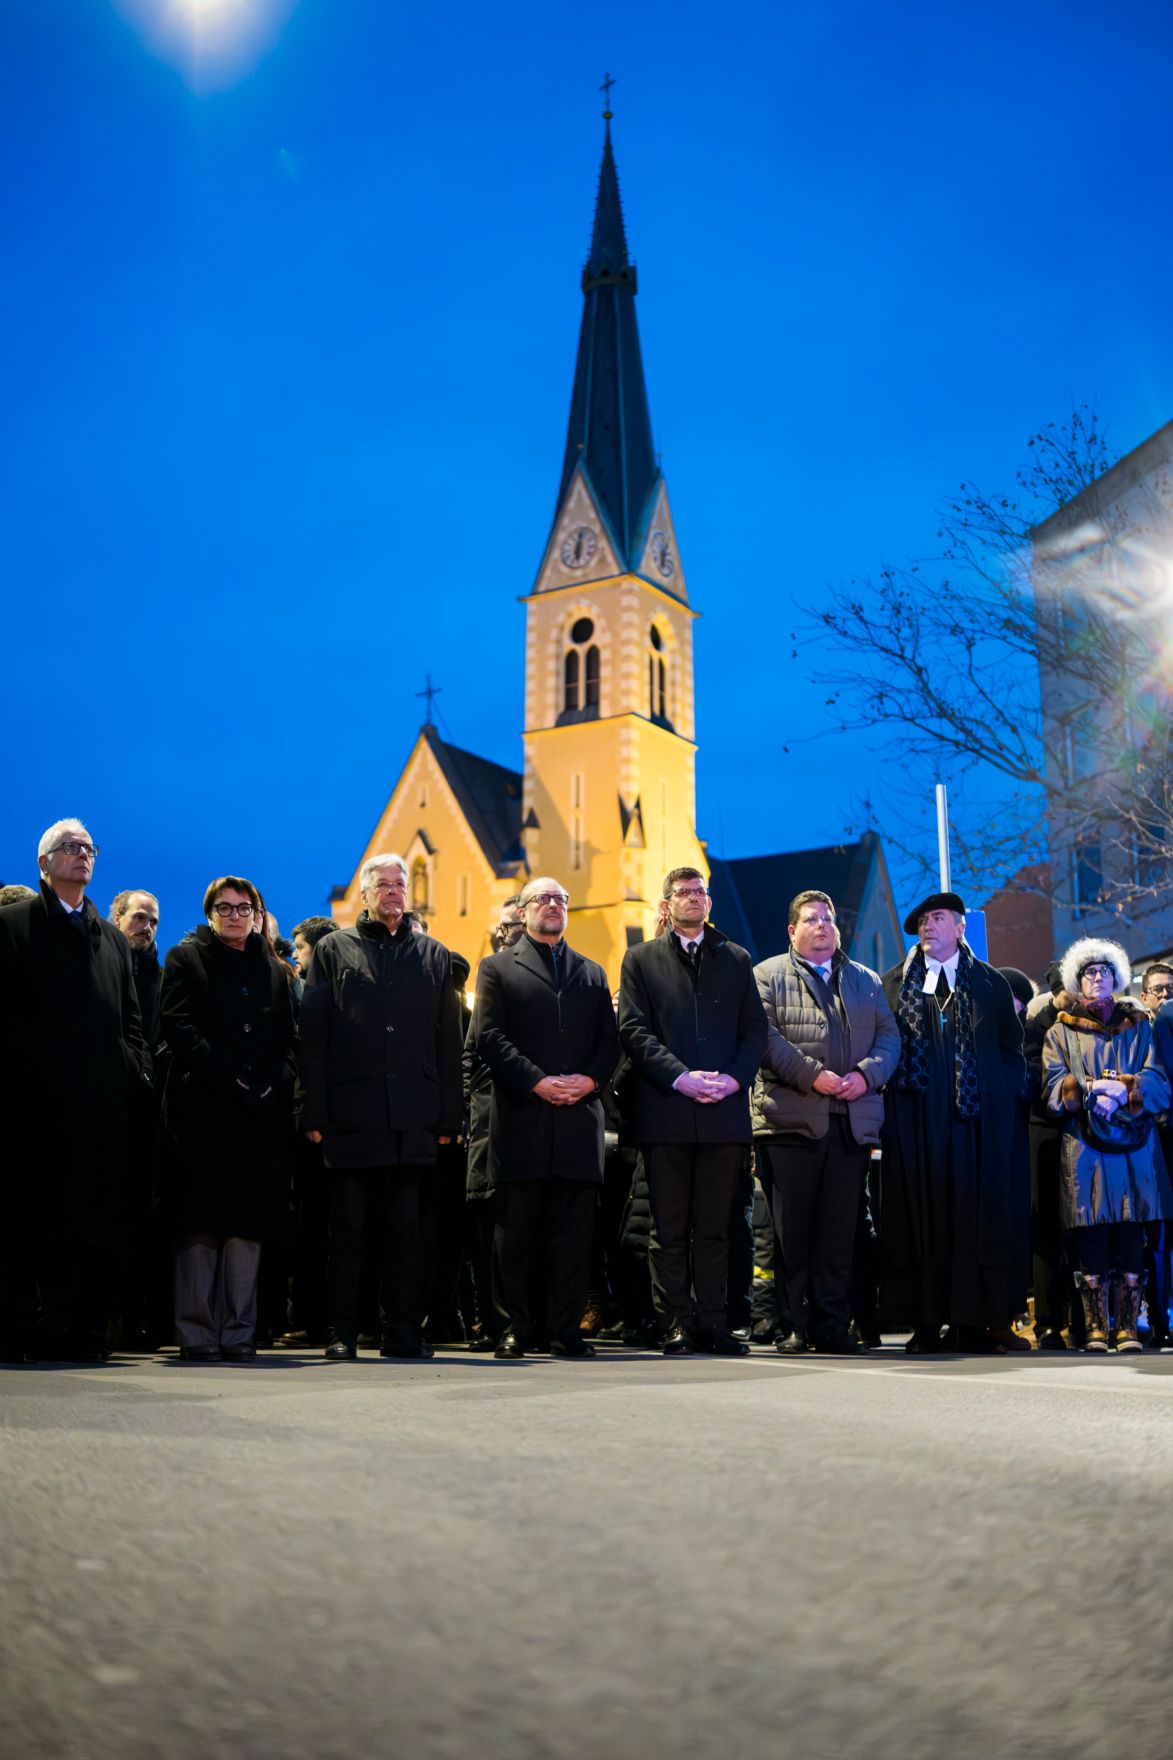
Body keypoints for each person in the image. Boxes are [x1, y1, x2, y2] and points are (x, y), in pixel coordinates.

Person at [297, 852, 462, 1361]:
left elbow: (449, 1043)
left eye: (400, 884)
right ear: (364, 896)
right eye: (382, 885)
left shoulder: (434, 955)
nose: (392, 892)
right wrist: (313, 1110)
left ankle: (401, 1330)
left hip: (413, 1115)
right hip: (352, 1114)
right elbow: (314, 1037)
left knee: (406, 1232)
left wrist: (450, 1115)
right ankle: (342, 1330)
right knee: (347, 1230)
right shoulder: (333, 950)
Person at [0, 819, 150, 1361]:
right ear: (44, 864)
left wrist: (132, 1067)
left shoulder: (109, 937)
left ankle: (82, 1330)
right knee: (29, 1220)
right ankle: (21, 1330)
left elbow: (130, 1019)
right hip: (32, 1109)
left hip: (100, 1109)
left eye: (88, 848)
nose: (81, 855)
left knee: (93, 1222)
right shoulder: (12, 926)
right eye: (69, 848)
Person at [618, 866, 767, 1356]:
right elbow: (634, 1031)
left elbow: (754, 1033)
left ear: (710, 902)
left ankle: (713, 1323)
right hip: (667, 1111)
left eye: (700, 891)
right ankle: (675, 1324)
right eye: (683, 892)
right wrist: (680, 1076)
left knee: (716, 1228)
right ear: (667, 904)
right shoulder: (640, 960)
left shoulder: (736, 958)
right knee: (669, 1229)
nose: (693, 898)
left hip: (723, 1113)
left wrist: (732, 1078)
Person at [473, 876, 619, 1359]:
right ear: (524, 910)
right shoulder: (496, 968)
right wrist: (536, 1080)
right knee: (514, 1236)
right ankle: (514, 1327)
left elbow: (609, 1043)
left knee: (572, 1237)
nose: (553, 905)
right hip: (522, 1118)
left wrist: (590, 1081)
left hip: (578, 1122)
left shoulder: (593, 972)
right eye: (543, 899)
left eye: (560, 899)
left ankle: (564, 1328)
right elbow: (490, 1039)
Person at [752, 890, 899, 1354]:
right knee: (793, 1233)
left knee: (839, 1233)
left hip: (850, 1122)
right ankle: (796, 1325)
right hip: (791, 1122)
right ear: (792, 931)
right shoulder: (767, 975)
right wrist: (814, 1078)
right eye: (812, 919)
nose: (823, 926)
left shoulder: (866, 980)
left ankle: (834, 1326)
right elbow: (764, 1038)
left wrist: (866, 1075)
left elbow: (889, 1038)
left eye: (829, 919)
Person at [880, 892, 1027, 1353]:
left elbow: (1011, 1051)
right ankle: (927, 1322)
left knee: (980, 1216)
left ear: (961, 928)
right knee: (923, 1216)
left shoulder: (989, 984)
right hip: (917, 1124)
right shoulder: (894, 986)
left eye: (938, 918)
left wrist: (997, 1098)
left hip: (977, 1126)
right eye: (923, 920)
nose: (927, 926)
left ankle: (985, 1319)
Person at [159, 875, 296, 1363]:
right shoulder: (186, 959)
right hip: (204, 1111)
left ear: (257, 915)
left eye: (244, 908)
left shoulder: (277, 971)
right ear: (210, 914)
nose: (235, 916)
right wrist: (229, 1076)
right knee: (201, 1223)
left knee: (246, 1224)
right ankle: (196, 1332)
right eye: (225, 908)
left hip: (259, 1114)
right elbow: (176, 1026)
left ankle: (239, 1332)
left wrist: (274, 1080)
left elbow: (290, 1037)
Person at [1042, 938, 1172, 1352]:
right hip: (1084, 1143)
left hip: (1134, 1144)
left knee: (1131, 1233)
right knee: (1091, 1234)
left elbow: (1160, 1079)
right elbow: (1049, 1085)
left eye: (1104, 972)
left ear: (1116, 978)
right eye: (1089, 972)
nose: (1097, 978)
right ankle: (1097, 1327)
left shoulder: (1140, 1025)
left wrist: (1125, 1088)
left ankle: (1128, 1329)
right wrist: (1087, 1088)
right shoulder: (1060, 1030)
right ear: (1077, 981)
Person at [462, 897, 524, 1349]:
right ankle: (490, 1319)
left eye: (517, 925)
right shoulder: (490, 977)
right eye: (504, 928)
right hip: (490, 1119)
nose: (511, 934)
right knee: (488, 1226)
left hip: (538, 1119)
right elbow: (471, 1055)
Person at [112, 890, 163, 1047]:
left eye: (153, 922)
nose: (147, 927)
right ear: (118, 919)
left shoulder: (163, 981)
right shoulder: (96, 963)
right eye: (139, 917)